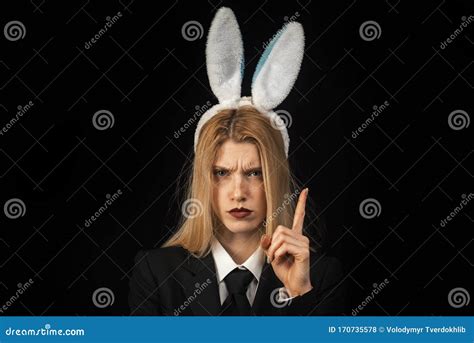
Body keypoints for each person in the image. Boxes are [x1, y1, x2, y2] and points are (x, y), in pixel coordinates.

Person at [128, 7, 345, 316]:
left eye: (255, 172)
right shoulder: (156, 273)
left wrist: (300, 295)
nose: (238, 192)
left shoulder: (320, 276)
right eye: (222, 172)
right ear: (204, 179)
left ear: (275, 177)